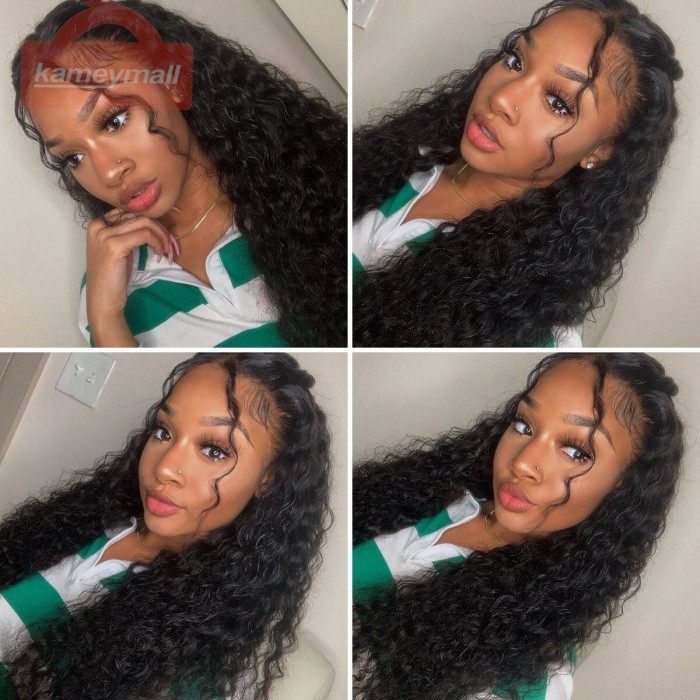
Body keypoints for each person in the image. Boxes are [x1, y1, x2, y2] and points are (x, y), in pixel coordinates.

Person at [12, 0, 347, 348]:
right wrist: (106, 319)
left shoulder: (320, 187)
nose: (108, 173)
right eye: (74, 157)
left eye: (115, 120)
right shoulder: (108, 289)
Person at [0, 353, 331, 699]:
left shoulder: (191, 651)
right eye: (164, 431)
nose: (165, 468)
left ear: (269, 479)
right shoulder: (89, 519)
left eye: (214, 451)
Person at [352, 0, 682, 347]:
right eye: (515, 60)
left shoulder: (531, 323)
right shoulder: (414, 151)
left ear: (599, 150)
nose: (502, 97)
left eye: (557, 103)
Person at [353, 353, 683, 699]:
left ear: (622, 487)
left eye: (575, 452)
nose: (522, 462)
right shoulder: (430, 490)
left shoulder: (529, 677)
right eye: (524, 425)